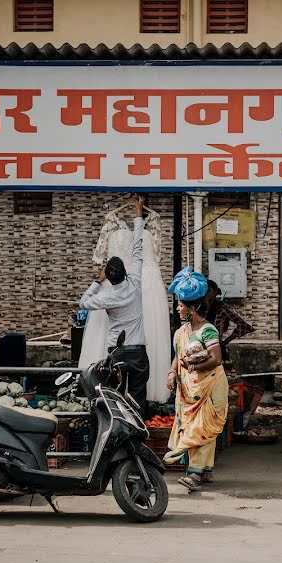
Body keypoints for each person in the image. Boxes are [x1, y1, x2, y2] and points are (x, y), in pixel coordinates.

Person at [79, 195, 150, 416]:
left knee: (116, 399)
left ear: (109, 277)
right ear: (126, 271)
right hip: (138, 352)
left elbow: (84, 302)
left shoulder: (106, 296)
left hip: (117, 354)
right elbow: (137, 248)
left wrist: (96, 281)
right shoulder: (136, 283)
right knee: (138, 399)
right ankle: (139, 434)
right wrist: (138, 214)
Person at [164, 267, 229, 492]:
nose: (177, 308)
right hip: (189, 388)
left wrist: (192, 365)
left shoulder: (207, 331)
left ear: (192, 309)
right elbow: (178, 355)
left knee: (203, 425)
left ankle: (194, 475)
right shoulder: (180, 332)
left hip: (210, 386)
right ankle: (205, 469)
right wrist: (173, 373)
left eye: (181, 305)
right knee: (192, 425)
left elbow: (217, 359)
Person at [206, 279, 255, 363]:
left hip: (216, 348)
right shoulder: (199, 307)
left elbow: (243, 325)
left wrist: (226, 341)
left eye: (209, 291)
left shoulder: (221, 308)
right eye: (204, 291)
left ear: (215, 292)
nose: (206, 293)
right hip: (200, 349)